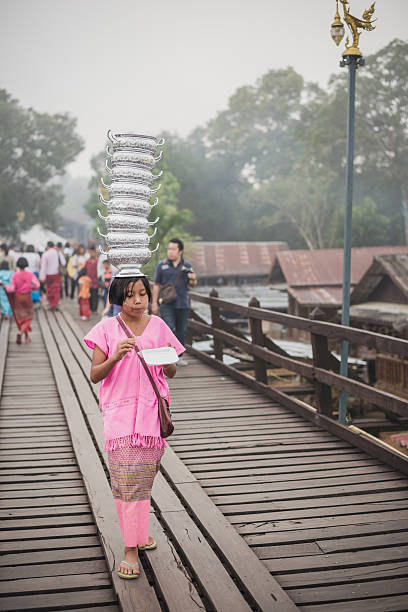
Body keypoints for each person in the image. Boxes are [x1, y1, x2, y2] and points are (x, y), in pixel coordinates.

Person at [83, 275, 184, 579]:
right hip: (120, 415)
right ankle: (130, 548)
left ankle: (139, 532)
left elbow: (172, 370)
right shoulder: (105, 329)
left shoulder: (159, 326)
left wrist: (166, 361)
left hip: (151, 415)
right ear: (118, 298)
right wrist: (116, 355)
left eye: (142, 293)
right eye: (130, 296)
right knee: (127, 480)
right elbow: (95, 374)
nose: (138, 301)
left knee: (143, 478)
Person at [152, 238, 197, 364]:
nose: (170, 252)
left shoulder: (187, 266)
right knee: (169, 328)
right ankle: (168, 357)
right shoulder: (162, 265)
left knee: (181, 331)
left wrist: (193, 279)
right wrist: (154, 303)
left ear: (180, 251)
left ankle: (179, 357)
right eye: (169, 249)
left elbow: (193, 284)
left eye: (173, 249)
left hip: (182, 303)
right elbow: (156, 285)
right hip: (166, 303)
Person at [1, 257, 40, 344]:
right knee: (28, 316)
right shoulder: (30, 275)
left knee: (21, 317)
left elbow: (11, 289)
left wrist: (5, 288)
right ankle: (21, 332)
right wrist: (31, 288)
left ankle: (26, 337)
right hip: (27, 297)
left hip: (18, 298)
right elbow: (37, 285)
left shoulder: (15, 275)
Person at [39, 241, 66, 311]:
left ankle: (51, 304)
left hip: (48, 275)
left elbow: (43, 266)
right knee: (56, 289)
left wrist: (42, 277)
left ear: (47, 246)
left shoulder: (45, 254)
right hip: (56, 274)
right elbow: (64, 262)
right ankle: (55, 303)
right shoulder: (57, 252)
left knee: (49, 289)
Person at [84, 247, 99, 313]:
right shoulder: (87, 261)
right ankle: (90, 308)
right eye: (91, 252)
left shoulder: (98, 261)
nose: (92, 254)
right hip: (88, 282)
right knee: (89, 296)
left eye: (93, 252)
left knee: (95, 296)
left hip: (96, 282)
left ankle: (94, 309)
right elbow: (85, 270)